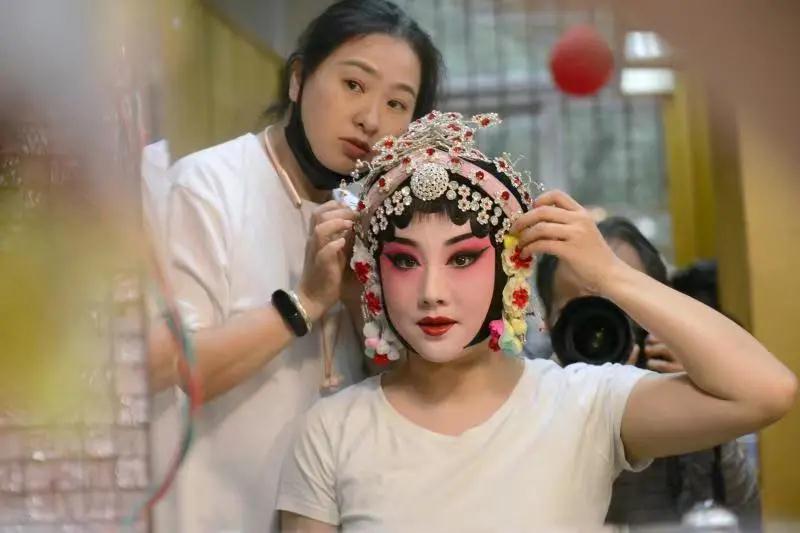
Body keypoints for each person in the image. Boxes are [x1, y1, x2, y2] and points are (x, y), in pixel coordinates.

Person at [275, 112, 796, 532]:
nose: (432, 292)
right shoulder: (332, 430)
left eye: (462, 258)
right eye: (405, 261)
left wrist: (609, 275)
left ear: (510, 267)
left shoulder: (583, 405)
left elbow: (768, 392)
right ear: (374, 274)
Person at [147, 2, 444, 531]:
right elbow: (172, 366)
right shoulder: (206, 187)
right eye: (354, 85)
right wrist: (303, 303)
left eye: (398, 103)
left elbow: (397, 392)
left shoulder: (375, 220)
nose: (371, 119)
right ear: (298, 79)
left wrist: (358, 302)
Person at [536, 217, 761, 528]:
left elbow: (743, 514)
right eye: (581, 310)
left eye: (621, 303)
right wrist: (591, 410)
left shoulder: (681, 382)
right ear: (548, 322)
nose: (602, 326)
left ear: (660, 311)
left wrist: (703, 394)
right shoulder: (535, 403)